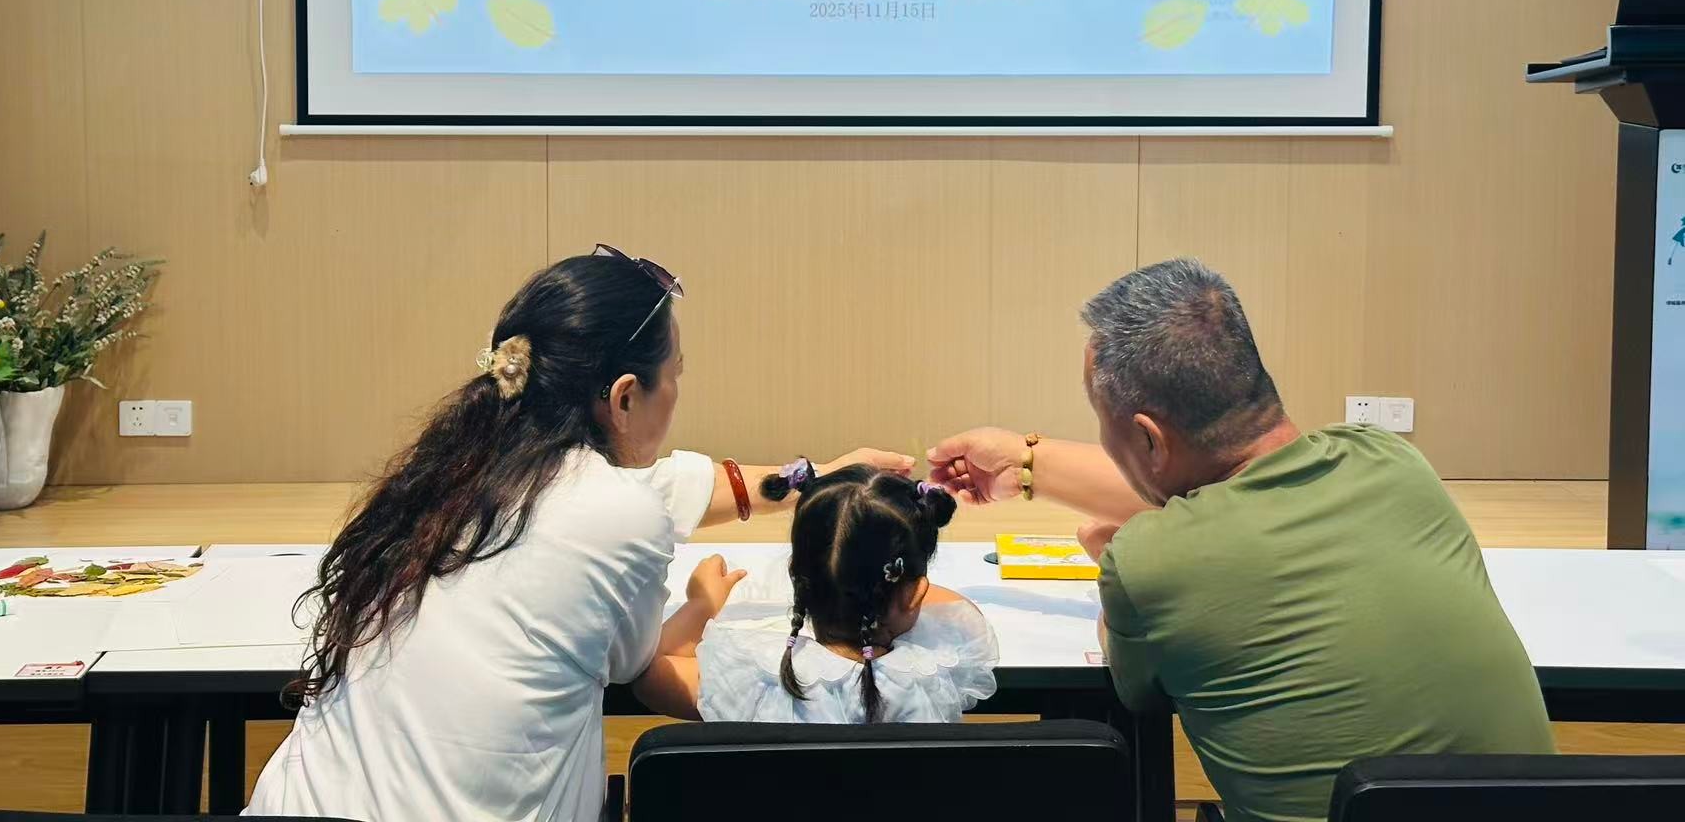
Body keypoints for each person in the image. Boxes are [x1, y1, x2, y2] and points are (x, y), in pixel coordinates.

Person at [247, 247, 908, 822]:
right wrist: (703, 609)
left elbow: (673, 486)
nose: (678, 389)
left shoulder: (451, 472)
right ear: (624, 397)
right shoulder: (617, 512)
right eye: (676, 372)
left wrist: (817, 476)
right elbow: (636, 663)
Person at [932, 258, 1555, 822]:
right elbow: (1231, 492)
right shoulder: (1390, 461)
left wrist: (1125, 564)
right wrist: (1027, 462)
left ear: (1147, 439)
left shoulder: (1150, 565)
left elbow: (1138, 685)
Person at [636, 461, 997, 724]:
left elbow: (650, 670)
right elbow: (956, 607)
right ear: (913, 593)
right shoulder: (940, 670)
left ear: (797, 576)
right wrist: (896, 584)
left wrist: (702, 604)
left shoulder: (753, 681)